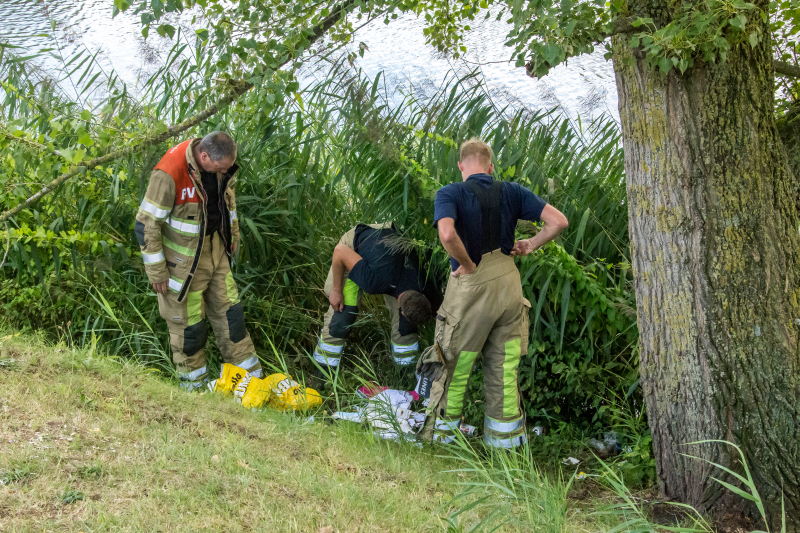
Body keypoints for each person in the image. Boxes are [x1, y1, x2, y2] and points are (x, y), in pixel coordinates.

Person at [422, 137, 568, 448]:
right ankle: (505, 446)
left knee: (457, 363)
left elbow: (447, 234)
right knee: (503, 366)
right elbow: (558, 222)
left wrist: (467, 264)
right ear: (490, 167)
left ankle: (445, 441)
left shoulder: (450, 193)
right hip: (509, 284)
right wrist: (532, 243)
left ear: (461, 165)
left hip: (471, 287)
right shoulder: (512, 191)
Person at [134, 131, 262, 390]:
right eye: (221, 167)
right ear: (203, 156)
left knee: (232, 317)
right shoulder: (169, 174)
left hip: (217, 252)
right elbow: (145, 224)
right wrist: (157, 271)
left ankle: (251, 384)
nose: (225, 172)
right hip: (182, 265)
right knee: (190, 328)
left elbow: (228, 202)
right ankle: (195, 390)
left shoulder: (219, 164)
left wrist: (233, 232)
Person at [313, 223, 442, 377]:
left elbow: (442, 314)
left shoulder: (427, 286)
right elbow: (340, 252)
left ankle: (406, 375)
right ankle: (322, 373)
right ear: (400, 308)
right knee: (342, 316)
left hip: (394, 253)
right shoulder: (374, 281)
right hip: (356, 247)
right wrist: (336, 290)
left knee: (406, 326)